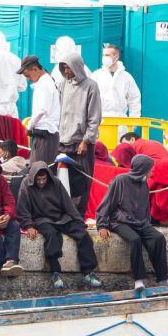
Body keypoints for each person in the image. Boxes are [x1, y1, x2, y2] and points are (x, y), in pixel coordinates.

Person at [96, 154, 168, 289]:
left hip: (139, 222)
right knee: (135, 239)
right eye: (150, 169)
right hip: (119, 221)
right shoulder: (120, 180)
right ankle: (138, 280)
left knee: (158, 237)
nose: (152, 171)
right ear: (142, 169)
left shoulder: (143, 183)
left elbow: (145, 207)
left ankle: (162, 278)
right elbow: (107, 203)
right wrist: (102, 225)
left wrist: (147, 224)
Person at [18, 161, 103, 288]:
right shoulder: (26, 184)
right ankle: (55, 272)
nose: (41, 182)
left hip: (61, 218)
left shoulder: (56, 182)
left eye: (43, 179)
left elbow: (68, 204)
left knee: (82, 234)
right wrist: (29, 225)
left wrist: (79, 222)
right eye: (38, 179)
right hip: (42, 219)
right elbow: (22, 208)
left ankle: (88, 272)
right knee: (52, 235)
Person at [56, 52, 103, 216]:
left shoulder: (91, 86)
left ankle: (78, 216)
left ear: (77, 67)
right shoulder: (63, 84)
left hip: (81, 143)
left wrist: (86, 140)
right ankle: (64, 213)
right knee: (62, 178)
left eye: (69, 67)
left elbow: (95, 117)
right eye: (64, 68)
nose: (66, 71)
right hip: (63, 141)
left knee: (81, 181)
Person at [19, 55, 61, 164]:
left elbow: (42, 109)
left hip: (45, 134)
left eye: (28, 76)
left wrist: (29, 126)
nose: (28, 79)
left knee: (39, 168)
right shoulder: (46, 81)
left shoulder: (44, 83)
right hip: (46, 133)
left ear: (35, 69)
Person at [91, 44, 141, 121]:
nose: (104, 58)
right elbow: (89, 98)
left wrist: (133, 122)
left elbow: (134, 100)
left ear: (116, 57)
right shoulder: (96, 75)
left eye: (107, 55)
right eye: (103, 55)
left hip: (120, 122)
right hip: (100, 121)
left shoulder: (126, 77)